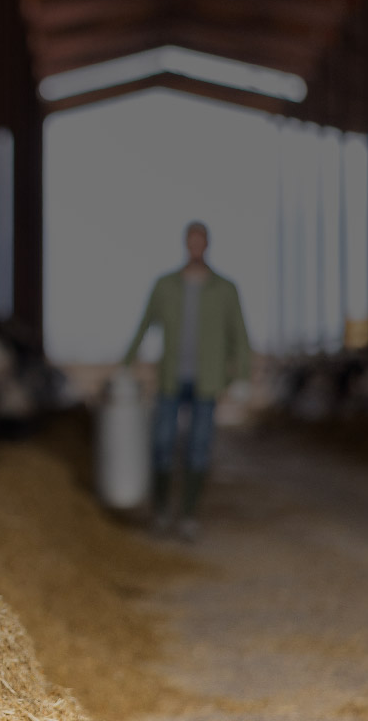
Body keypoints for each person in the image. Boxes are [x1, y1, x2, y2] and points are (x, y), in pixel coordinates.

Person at [121, 221, 252, 540]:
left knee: (198, 446)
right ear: (185, 244)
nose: (196, 247)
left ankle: (189, 515)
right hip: (170, 378)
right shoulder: (165, 285)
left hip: (208, 380)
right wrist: (125, 363)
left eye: (201, 242)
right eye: (191, 241)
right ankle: (162, 511)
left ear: (207, 245)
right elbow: (145, 324)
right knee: (163, 442)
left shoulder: (225, 288)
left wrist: (241, 376)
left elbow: (239, 333)